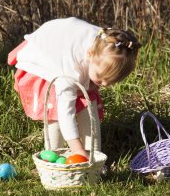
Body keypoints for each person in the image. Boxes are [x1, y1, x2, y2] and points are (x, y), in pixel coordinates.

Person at [8, 17, 141, 158]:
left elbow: (99, 72)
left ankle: (94, 156)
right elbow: (66, 114)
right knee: (56, 111)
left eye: (111, 80)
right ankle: (52, 157)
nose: (106, 84)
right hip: (44, 57)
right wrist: (77, 149)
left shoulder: (109, 45)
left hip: (66, 43)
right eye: (101, 78)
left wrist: (94, 80)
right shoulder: (70, 71)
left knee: (89, 104)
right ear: (90, 55)